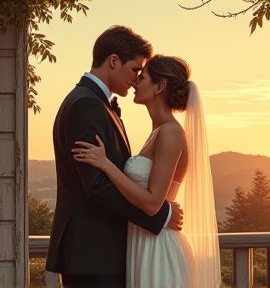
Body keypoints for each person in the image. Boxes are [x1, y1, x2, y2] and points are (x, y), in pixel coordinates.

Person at [45, 26, 183, 288]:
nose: (136, 78)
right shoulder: (87, 104)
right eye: (135, 69)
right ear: (113, 61)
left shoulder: (91, 102)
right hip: (94, 254)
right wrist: (159, 215)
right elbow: (96, 186)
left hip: (97, 255)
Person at [72, 55, 222, 288]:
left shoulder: (170, 133)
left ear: (159, 87)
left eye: (142, 78)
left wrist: (106, 165)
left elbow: (153, 203)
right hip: (143, 242)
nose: (134, 82)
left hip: (158, 247)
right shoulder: (158, 132)